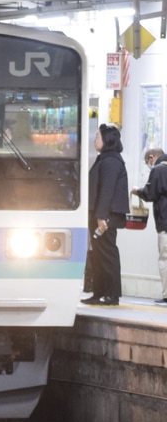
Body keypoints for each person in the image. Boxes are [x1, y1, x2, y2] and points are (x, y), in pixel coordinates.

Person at [83, 124, 129, 306]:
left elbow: (107, 191)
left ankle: (111, 294)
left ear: (107, 140)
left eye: (98, 137)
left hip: (105, 218)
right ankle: (99, 292)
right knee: (99, 255)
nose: (95, 140)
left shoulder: (111, 161)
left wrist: (101, 217)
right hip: (100, 216)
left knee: (107, 254)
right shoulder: (106, 159)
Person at [132, 147, 167, 305]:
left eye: (148, 162)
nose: (149, 165)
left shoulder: (158, 169)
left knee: (165, 258)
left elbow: (150, 194)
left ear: (152, 157)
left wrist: (137, 191)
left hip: (165, 222)